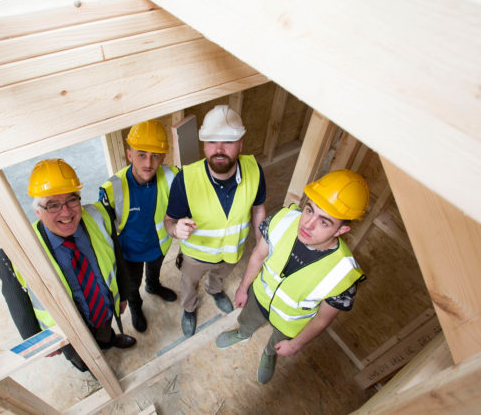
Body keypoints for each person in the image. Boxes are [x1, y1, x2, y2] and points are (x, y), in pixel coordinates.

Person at [214, 169, 369, 384]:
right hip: (258, 297)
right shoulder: (283, 220)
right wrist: (243, 287)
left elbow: (323, 319)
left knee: (278, 343)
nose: (307, 224)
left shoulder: (343, 274)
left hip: (289, 323)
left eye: (324, 222)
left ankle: (269, 353)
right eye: (309, 210)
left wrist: (296, 344)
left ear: (341, 231)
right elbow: (258, 256)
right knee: (247, 320)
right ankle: (243, 333)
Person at [0, 158, 136, 374]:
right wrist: (38, 343)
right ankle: (93, 369)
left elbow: (118, 258)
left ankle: (109, 341)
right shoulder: (16, 251)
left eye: (72, 200)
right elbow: (18, 305)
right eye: (53, 205)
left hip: (103, 308)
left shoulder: (99, 217)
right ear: (37, 211)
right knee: (83, 357)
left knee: (105, 332)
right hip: (66, 330)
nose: (66, 212)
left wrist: (123, 295)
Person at [164, 105, 266, 337]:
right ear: (203, 144)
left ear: (241, 143)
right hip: (195, 258)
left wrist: (261, 244)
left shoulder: (255, 171)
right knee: (189, 284)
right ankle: (189, 309)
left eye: (227, 142)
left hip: (231, 253)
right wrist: (175, 229)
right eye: (211, 142)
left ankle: (214, 290)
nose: (218, 149)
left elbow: (258, 208)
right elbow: (169, 221)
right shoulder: (186, 179)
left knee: (219, 276)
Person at [99, 119, 179, 333]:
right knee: (131, 285)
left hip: (158, 246)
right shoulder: (111, 189)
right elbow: (106, 233)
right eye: (141, 154)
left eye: (155, 155)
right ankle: (136, 307)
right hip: (130, 253)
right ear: (129, 154)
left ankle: (153, 286)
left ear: (163, 156)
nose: (148, 163)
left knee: (154, 270)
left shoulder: (172, 176)